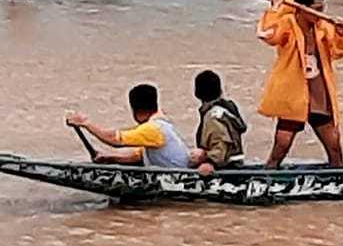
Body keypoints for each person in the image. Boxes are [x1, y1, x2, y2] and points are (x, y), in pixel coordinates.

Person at [257, 0, 343, 168]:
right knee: (282, 144)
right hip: (293, 93)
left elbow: (339, 51)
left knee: (334, 145)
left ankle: (339, 175)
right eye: (316, 10)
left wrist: (341, 32)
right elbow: (267, 35)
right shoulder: (287, 23)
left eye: (322, 9)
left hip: (318, 92)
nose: (320, 14)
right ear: (301, 7)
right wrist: (275, 9)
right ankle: (269, 173)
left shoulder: (323, 27)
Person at [66, 83, 194, 169]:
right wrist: (110, 157)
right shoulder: (163, 125)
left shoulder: (153, 129)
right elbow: (138, 155)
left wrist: (86, 123)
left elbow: (115, 139)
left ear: (134, 109)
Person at [192, 70, 248, 173]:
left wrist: (207, 159)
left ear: (197, 92)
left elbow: (221, 147)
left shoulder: (213, 117)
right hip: (236, 166)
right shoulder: (227, 110)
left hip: (224, 170)